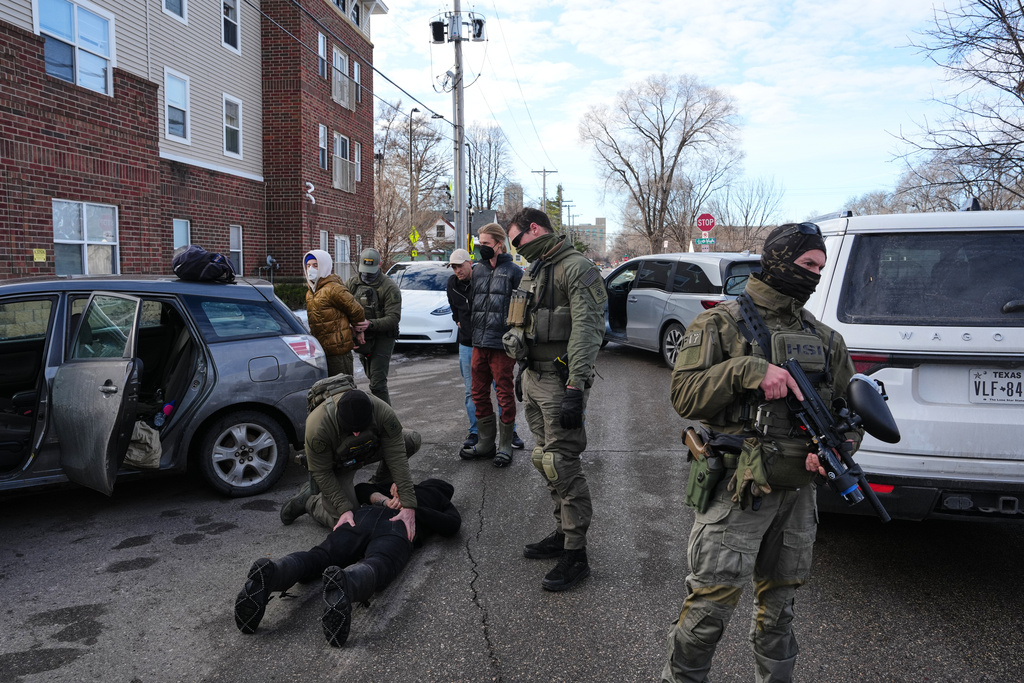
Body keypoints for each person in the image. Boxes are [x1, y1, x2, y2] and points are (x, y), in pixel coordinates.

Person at [660, 222, 862, 683]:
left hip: (797, 495)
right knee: (708, 610)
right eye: (806, 264)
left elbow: (848, 415)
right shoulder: (720, 323)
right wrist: (746, 370)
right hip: (737, 491)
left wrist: (835, 450)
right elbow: (684, 397)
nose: (813, 275)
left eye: (819, 268)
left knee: (780, 614)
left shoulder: (825, 338)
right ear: (777, 260)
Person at [504, 208, 607, 591]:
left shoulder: (576, 268)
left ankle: (576, 555)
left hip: (561, 384)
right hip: (533, 378)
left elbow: (587, 331)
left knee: (562, 463)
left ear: (535, 229)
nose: (518, 249)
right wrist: (520, 369)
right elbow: (525, 323)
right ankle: (563, 533)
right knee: (544, 459)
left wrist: (576, 389)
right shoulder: (536, 269)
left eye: (518, 241)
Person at [235, 478, 461, 647]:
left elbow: (362, 488)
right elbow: (451, 525)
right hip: (397, 526)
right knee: (380, 562)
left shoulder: (396, 486)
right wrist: (413, 509)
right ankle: (348, 582)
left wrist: (388, 500)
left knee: (320, 556)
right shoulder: (439, 499)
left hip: (364, 516)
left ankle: (275, 571)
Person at [280, 388, 420, 531]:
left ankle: (376, 486)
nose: (356, 433)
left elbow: (396, 454)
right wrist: (343, 508)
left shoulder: (382, 411)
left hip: (369, 449)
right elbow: (322, 471)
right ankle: (311, 500)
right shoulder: (318, 427)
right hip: (339, 465)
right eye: (350, 429)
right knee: (348, 521)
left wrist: (408, 503)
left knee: (411, 440)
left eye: (360, 428)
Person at [446, 247, 526, 455]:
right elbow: (455, 308)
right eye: (453, 267)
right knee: (473, 391)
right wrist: (458, 320)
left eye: (459, 266)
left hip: (495, 343)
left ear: (469, 264)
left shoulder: (488, 276)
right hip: (469, 343)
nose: (456, 271)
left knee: (502, 390)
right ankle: (478, 435)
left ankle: (509, 435)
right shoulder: (452, 284)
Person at [463, 223, 523, 467]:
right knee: (478, 393)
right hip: (479, 343)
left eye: (486, 243)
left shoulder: (514, 272)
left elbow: (522, 312)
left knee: (504, 394)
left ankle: (505, 445)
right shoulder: (477, 270)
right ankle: (486, 443)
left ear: (499, 243)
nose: (481, 248)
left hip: (502, 345)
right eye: (480, 243)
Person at [347, 248, 401, 405]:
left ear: (380, 265)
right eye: (364, 270)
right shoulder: (352, 284)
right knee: (371, 376)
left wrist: (370, 324)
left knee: (377, 384)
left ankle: (386, 423)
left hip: (383, 338)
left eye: (371, 270)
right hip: (361, 338)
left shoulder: (389, 287)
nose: (367, 275)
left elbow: (393, 318)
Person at [303, 249, 365, 378]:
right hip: (321, 351)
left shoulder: (333, 289)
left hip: (338, 351)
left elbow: (356, 310)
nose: (310, 269)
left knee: (343, 389)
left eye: (315, 265)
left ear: (324, 266)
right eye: (308, 266)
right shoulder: (310, 292)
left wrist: (358, 331)